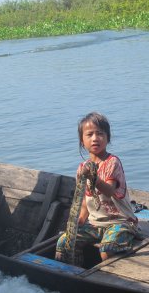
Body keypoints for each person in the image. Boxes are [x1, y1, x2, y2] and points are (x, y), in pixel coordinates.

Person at [55, 112, 139, 265]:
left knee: (107, 248)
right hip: (95, 224)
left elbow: (109, 191)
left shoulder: (113, 163)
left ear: (107, 138)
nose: (95, 138)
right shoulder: (82, 168)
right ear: (82, 141)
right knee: (63, 242)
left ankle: (111, 278)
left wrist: (92, 177)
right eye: (90, 134)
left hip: (120, 221)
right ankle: (72, 272)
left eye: (100, 133)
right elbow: (85, 203)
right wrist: (78, 221)